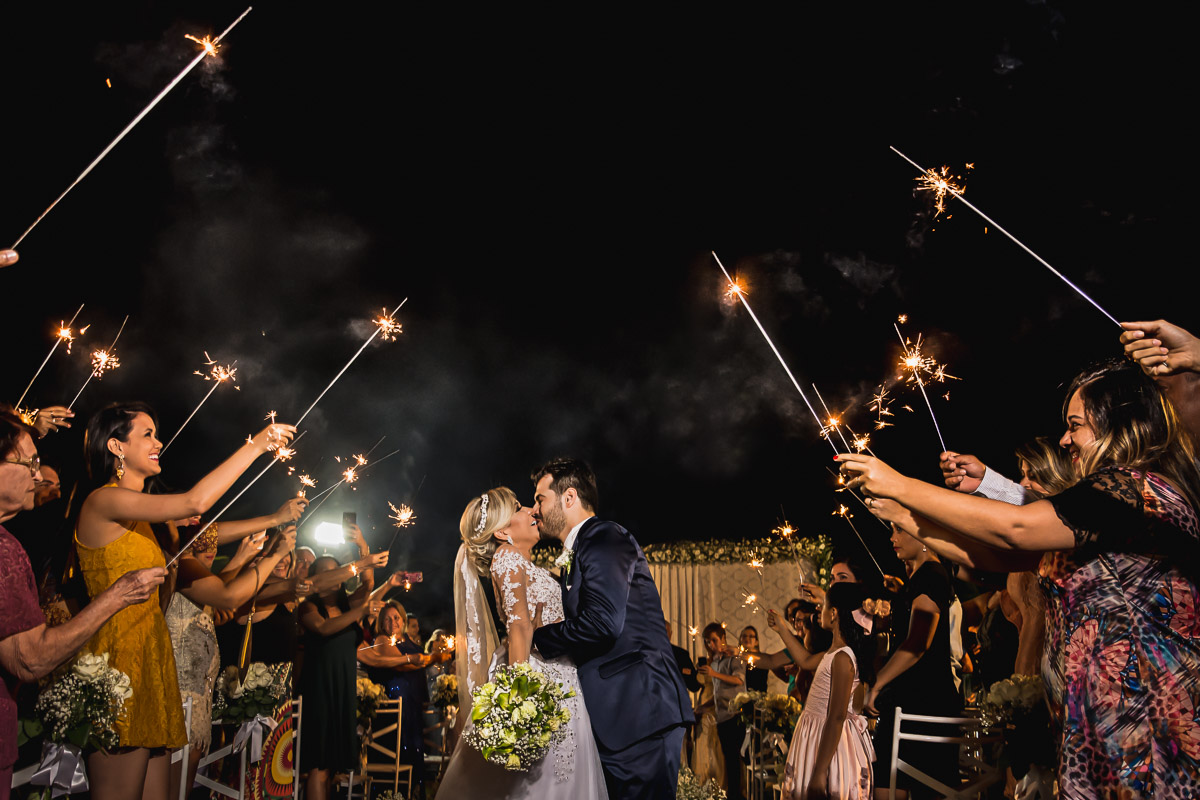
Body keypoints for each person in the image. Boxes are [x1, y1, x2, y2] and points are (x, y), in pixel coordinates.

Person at [838, 358, 1200, 799]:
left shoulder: (1133, 490)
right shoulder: (1105, 504)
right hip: (1098, 726)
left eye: (1076, 425)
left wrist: (900, 485)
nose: (1065, 438)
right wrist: (906, 516)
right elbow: (991, 555)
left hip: (1145, 725)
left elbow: (1018, 528)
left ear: (1119, 427)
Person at [74, 401, 294, 800]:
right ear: (116, 447)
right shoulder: (101, 502)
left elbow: (161, 596)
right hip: (120, 665)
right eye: (147, 435)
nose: (159, 442)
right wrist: (257, 445)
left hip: (156, 661)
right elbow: (195, 503)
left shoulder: (146, 523)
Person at [0, 411, 164, 799]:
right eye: (30, 464)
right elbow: (30, 659)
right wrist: (116, 595)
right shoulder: (5, 552)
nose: (39, 477)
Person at [529, 458, 693, 800]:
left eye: (540, 498)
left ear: (569, 497)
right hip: (618, 716)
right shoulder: (579, 550)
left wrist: (534, 639)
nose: (534, 509)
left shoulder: (604, 537)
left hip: (639, 711)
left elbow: (603, 624)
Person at [436, 486, 610, 798]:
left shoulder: (524, 563)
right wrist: (521, 697)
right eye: (519, 508)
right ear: (502, 532)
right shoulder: (506, 559)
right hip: (539, 681)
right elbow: (519, 628)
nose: (532, 510)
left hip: (561, 680)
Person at [298, 527, 384, 800]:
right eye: (325, 574)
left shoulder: (348, 604)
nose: (333, 579)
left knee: (332, 768)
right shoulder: (308, 608)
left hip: (342, 690)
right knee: (318, 765)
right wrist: (361, 611)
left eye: (337, 573)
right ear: (315, 579)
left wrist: (362, 544)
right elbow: (323, 629)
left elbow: (369, 583)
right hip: (319, 691)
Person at [772, 582, 876, 800]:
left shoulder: (842, 657)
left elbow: (836, 717)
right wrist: (781, 628)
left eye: (824, 605)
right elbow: (805, 660)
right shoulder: (832, 652)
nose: (820, 610)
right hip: (814, 733)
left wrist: (820, 772)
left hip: (828, 739)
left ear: (835, 613)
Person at [359, 601, 435, 793]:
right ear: (380, 623)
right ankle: (391, 795)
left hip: (412, 705)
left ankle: (413, 793)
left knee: (415, 755)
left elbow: (420, 669)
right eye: (386, 619)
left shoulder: (408, 640)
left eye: (396, 617)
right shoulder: (383, 640)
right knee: (397, 755)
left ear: (403, 619)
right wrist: (434, 657)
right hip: (394, 707)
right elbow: (402, 666)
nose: (392, 622)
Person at [698, 623, 745, 800]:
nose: (711, 645)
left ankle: (738, 796)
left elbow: (738, 681)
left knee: (736, 761)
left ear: (723, 638)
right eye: (708, 642)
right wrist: (703, 706)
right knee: (728, 760)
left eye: (714, 640)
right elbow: (719, 692)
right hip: (722, 716)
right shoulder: (715, 662)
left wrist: (713, 674)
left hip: (737, 714)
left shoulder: (735, 658)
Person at [666, 621, 701, 693]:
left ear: (671, 634)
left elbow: (694, 686)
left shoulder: (681, 654)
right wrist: (681, 670)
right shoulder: (645, 654)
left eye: (665, 632)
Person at [738, 626, 768, 692]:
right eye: (744, 636)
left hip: (759, 697)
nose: (747, 638)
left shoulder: (762, 658)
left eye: (751, 636)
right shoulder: (736, 659)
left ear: (756, 642)